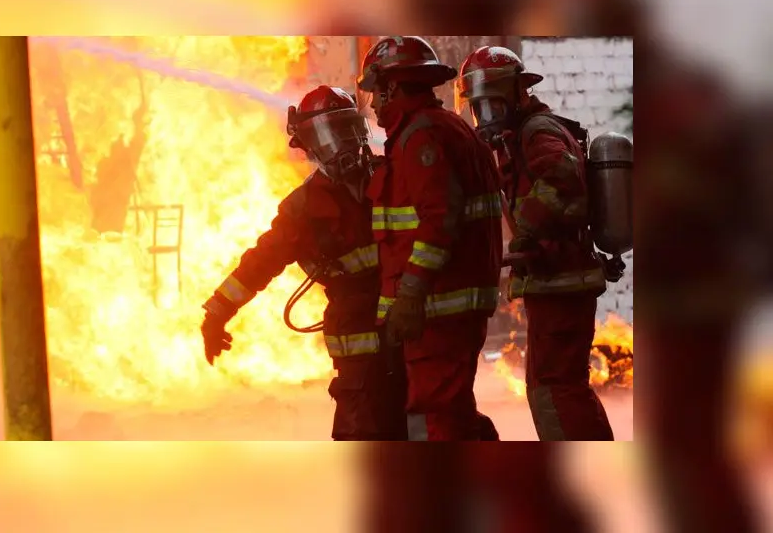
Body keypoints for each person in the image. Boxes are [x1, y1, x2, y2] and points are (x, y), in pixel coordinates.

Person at [200, 85, 407, 441]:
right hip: (358, 350)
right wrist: (217, 312)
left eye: (346, 129)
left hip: (409, 333)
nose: (342, 144)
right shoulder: (304, 208)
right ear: (310, 148)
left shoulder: (394, 177)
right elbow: (260, 263)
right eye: (329, 136)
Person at [453, 45, 614, 440]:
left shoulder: (536, 131)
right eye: (478, 107)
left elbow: (562, 175)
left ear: (517, 93)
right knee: (561, 385)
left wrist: (527, 228)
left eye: (492, 104)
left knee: (554, 389)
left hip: (561, 279)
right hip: (555, 279)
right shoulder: (519, 135)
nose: (485, 116)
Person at [357, 36, 504, 441]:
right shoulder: (444, 128)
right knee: (452, 409)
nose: (374, 104)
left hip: (437, 307)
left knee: (434, 416)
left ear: (392, 87)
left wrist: (410, 294)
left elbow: (437, 220)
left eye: (376, 92)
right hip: (448, 305)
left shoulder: (422, 137)